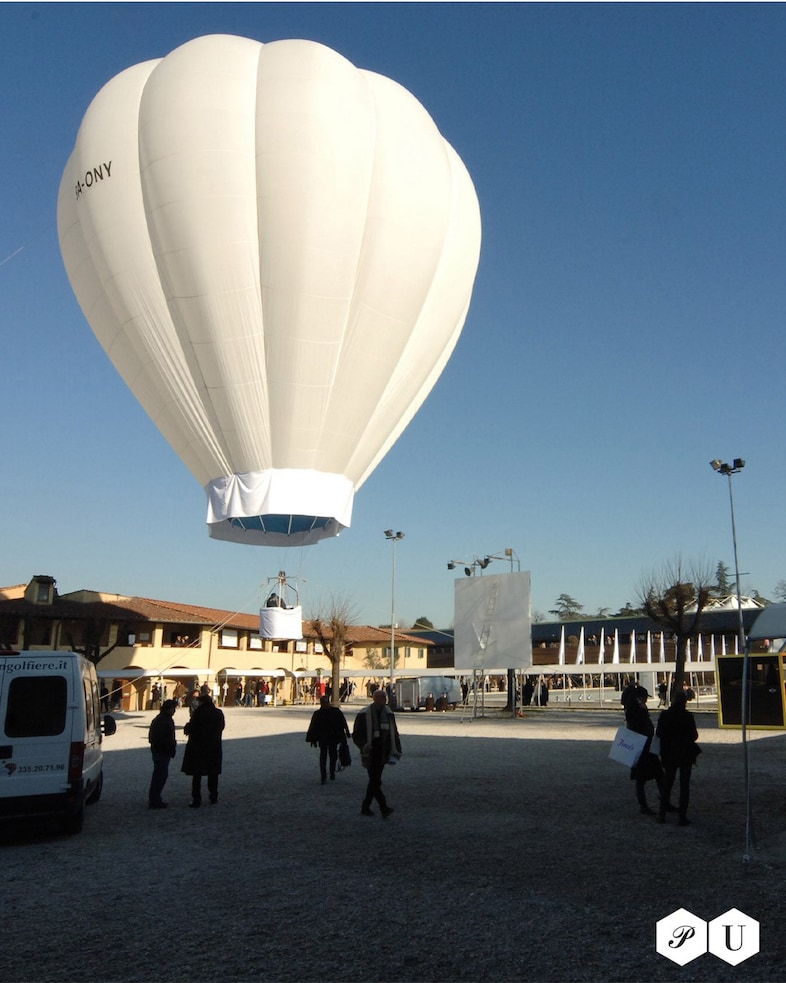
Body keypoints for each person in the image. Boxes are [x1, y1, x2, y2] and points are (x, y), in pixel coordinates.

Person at [352, 688, 401, 818]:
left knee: (375, 780)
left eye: (384, 698)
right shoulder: (364, 714)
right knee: (375, 781)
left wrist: (397, 749)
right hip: (370, 752)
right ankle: (383, 808)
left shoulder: (389, 714)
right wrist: (363, 746)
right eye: (381, 698)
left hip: (383, 751)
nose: (384, 700)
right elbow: (356, 735)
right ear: (374, 699)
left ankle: (366, 807)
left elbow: (394, 732)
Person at [621, 684, 669, 816]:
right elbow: (644, 726)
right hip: (645, 747)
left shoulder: (631, 709)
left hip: (639, 747)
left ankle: (646, 805)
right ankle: (661, 801)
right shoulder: (638, 710)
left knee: (641, 779)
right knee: (657, 776)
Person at [656, 690, 700, 826]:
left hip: (669, 753)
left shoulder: (665, 715)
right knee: (684, 786)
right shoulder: (687, 716)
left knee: (668, 783)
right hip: (685, 753)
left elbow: (659, 733)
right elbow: (694, 736)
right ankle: (682, 816)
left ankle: (661, 813)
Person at [182, 691, 225, 807]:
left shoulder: (198, 713)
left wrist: (188, 728)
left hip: (199, 747)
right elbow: (221, 727)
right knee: (213, 774)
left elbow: (192, 728)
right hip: (214, 746)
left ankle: (196, 799)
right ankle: (213, 797)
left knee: (197, 775)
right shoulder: (218, 713)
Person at [306, 695, 351, 784]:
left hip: (331, 738)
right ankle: (324, 775)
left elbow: (343, 723)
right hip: (325, 738)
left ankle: (331, 772)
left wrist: (347, 733)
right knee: (325, 756)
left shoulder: (324, 713)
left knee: (332, 756)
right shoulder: (323, 713)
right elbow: (313, 727)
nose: (324, 704)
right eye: (323, 703)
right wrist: (312, 739)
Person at [148, 699, 177, 809]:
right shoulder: (163, 720)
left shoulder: (162, 719)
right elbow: (161, 738)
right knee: (160, 776)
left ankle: (155, 798)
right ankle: (155, 800)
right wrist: (168, 748)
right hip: (161, 752)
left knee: (160, 775)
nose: (174, 711)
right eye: (173, 709)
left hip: (161, 751)